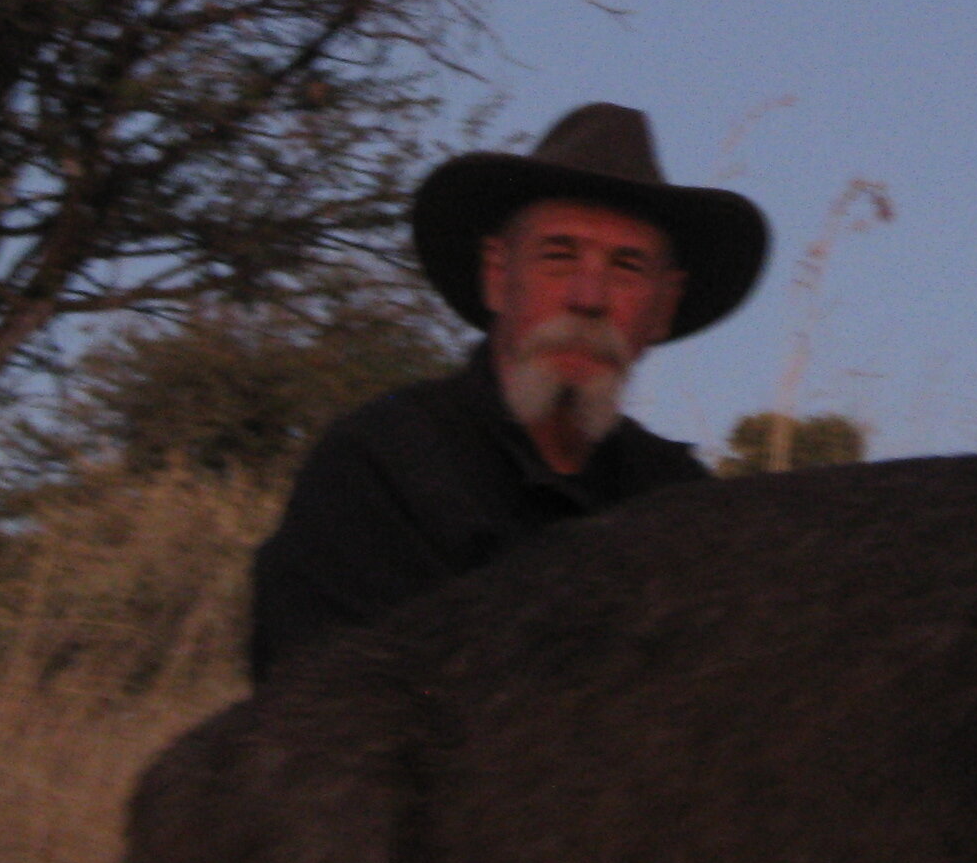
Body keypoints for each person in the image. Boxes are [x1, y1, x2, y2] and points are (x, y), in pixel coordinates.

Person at [245, 103, 768, 680]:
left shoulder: (682, 505)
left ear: (664, 307)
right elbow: (318, 723)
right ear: (497, 274)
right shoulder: (381, 466)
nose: (588, 298)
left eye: (626, 267)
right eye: (558, 255)